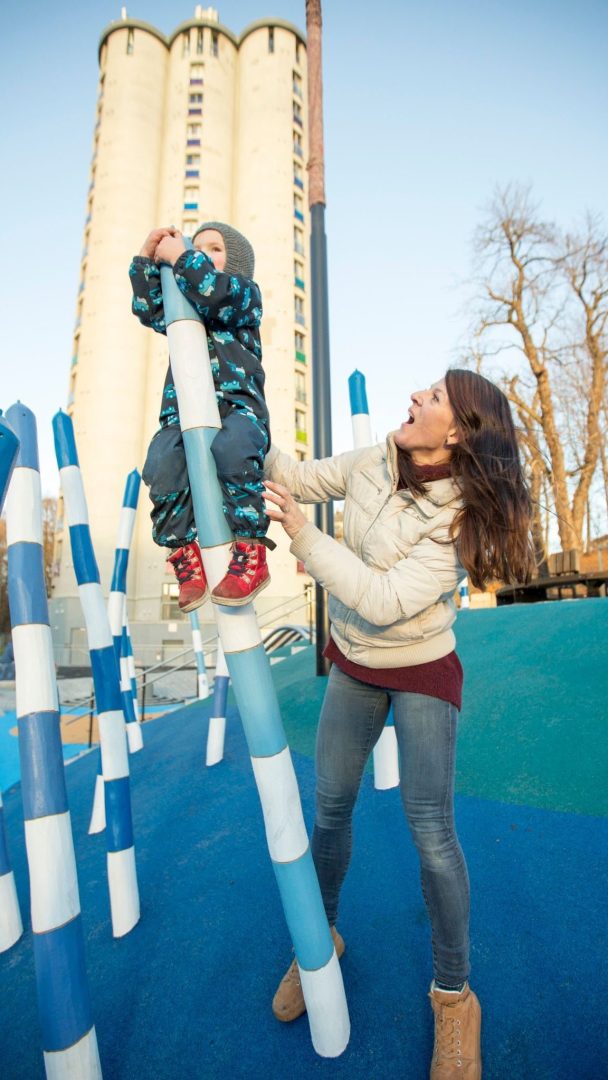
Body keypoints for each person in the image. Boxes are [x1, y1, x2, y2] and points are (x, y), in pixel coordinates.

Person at [263, 369, 534, 1079]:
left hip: (420, 663)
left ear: (459, 431)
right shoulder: (373, 460)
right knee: (331, 806)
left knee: (431, 831)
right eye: (423, 388)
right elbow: (295, 473)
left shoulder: (459, 517)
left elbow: (383, 599)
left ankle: (454, 996)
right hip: (355, 659)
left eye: (435, 397)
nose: (414, 395)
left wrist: (301, 537)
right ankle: (319, 943)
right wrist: (238, 414)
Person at [129, 221, 273, 610]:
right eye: (198, 247)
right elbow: (148, 308)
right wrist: (146, 259)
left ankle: (250, 548)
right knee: (160, 463)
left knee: (234, 450)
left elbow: (214, 293)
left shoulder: (242, 295)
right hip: (181, 415)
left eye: (214, 249)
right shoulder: (185, 304)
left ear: (237, 263)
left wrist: (182, 256)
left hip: (237, 407)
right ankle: (183, 554)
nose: (202, 254)